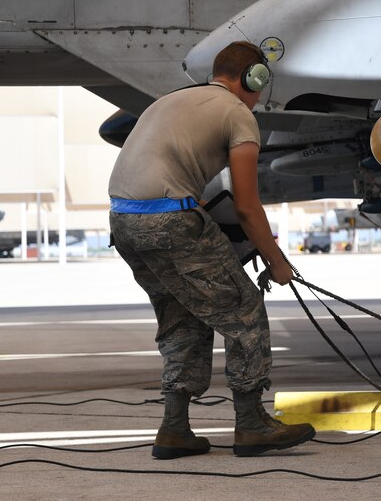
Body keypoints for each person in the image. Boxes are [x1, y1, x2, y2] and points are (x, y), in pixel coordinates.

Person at [108, 41, 315, 459]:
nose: (259, 100)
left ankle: (174, 430)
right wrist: (277, 262)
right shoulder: (238, 114)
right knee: (244, 313)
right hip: (171, 220)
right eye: (260, 87)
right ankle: (253, 424)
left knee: (186, 315)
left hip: (123, 221)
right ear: (251, 78)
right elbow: (246, 205)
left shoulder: (172, 100)